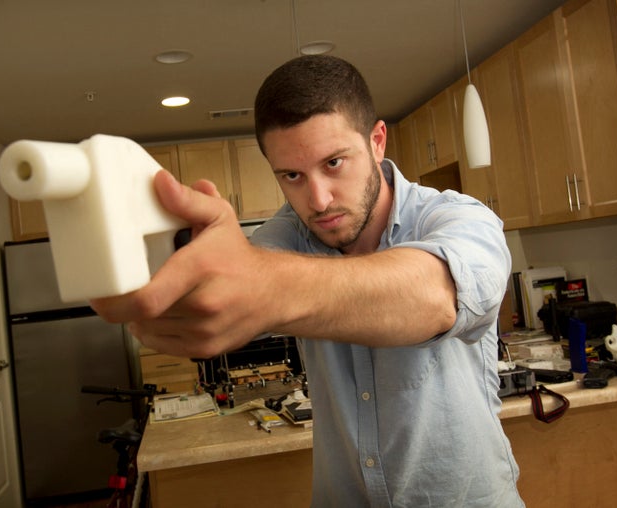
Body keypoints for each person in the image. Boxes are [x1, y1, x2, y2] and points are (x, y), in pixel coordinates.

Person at [91, 55, 523, 507]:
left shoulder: (458, 217)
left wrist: (268, 286)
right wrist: (174, 284)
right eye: (292, 175)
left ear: (377, 141)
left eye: (334, 162)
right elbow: (237, 282)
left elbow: (436, 296)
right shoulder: (286, 236)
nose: (317, 200)